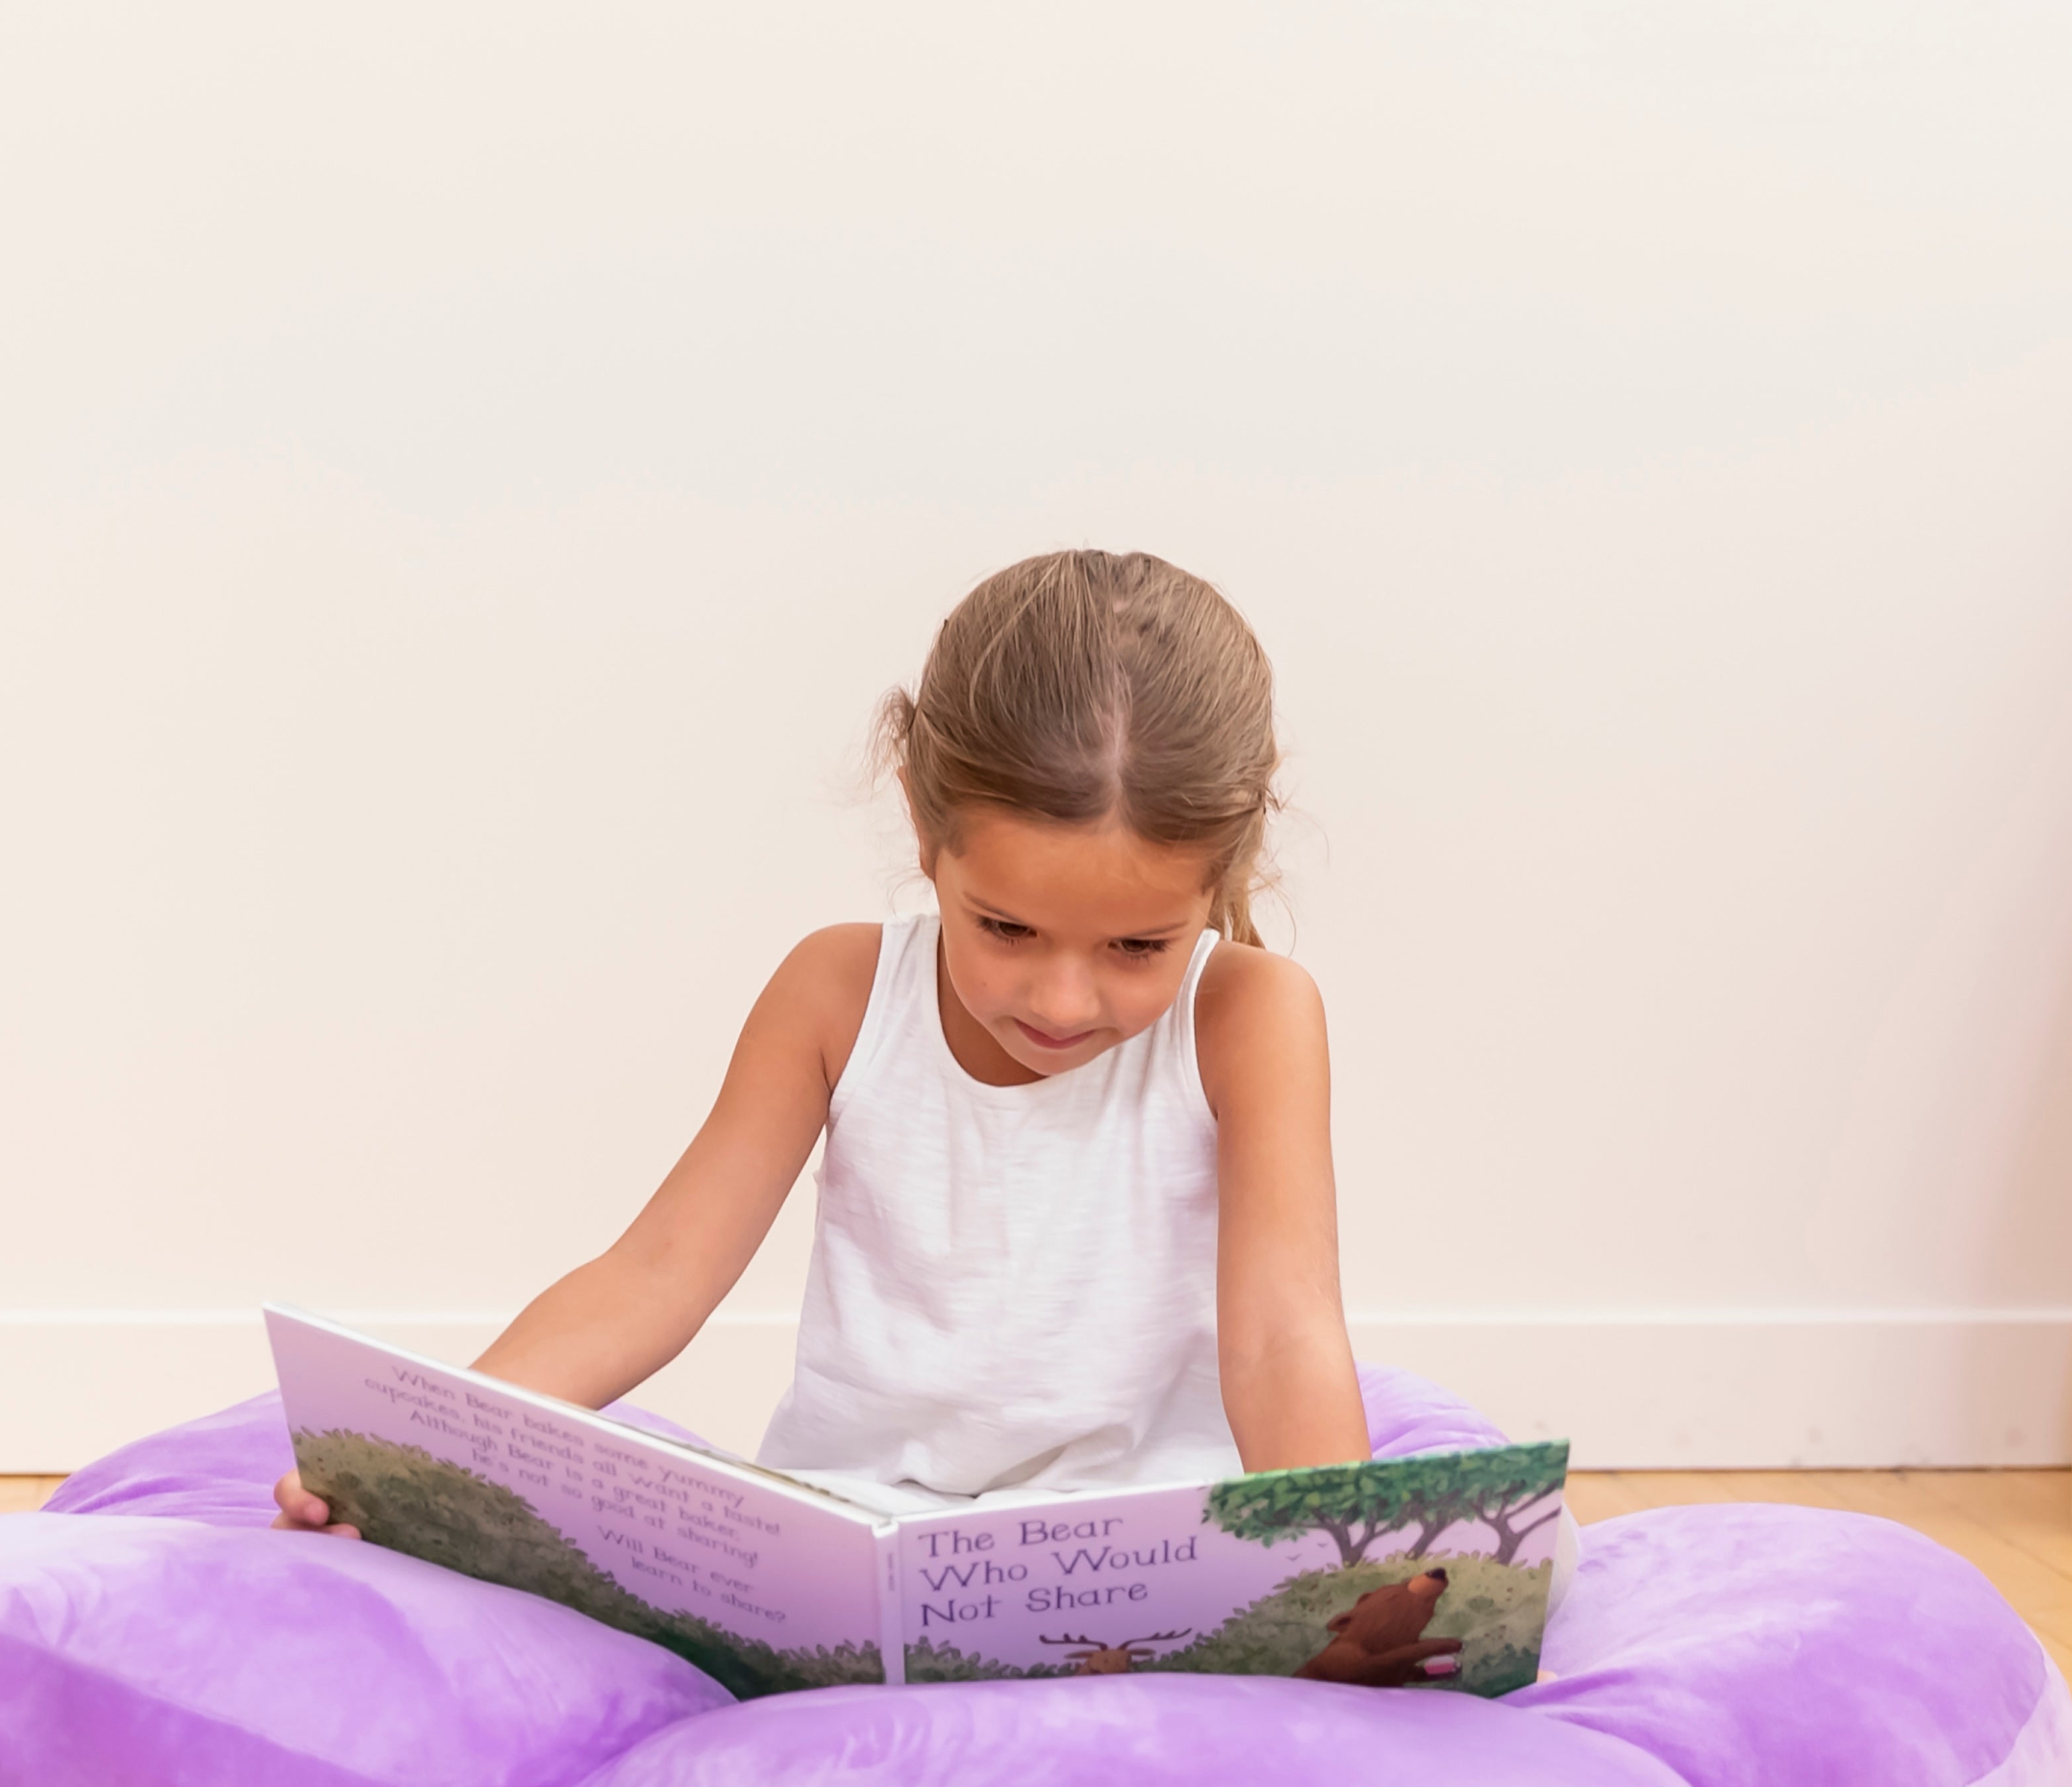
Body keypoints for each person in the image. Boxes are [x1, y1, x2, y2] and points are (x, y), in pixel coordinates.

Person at [277, 548, 1371, 1530]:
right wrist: (425, 1456)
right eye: (1005, 927)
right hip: (863, 1526)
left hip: (1141, 1548)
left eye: (1138, 946)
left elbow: (1282, 1336)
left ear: (1221, 878)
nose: (1065, 998)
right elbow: (657, 1272)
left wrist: (1344, 1572)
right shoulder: (838, 993)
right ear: (921, 825)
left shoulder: (1251, 1017)